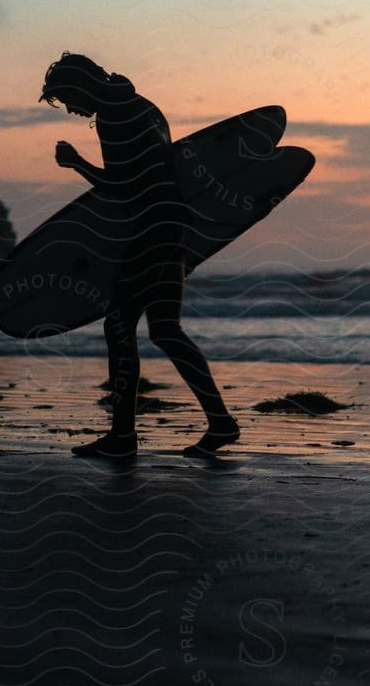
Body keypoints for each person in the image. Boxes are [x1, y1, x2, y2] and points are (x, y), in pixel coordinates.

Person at [40, 52, 239, 459]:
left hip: (148, 235)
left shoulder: (116, 117)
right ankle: (219, 422)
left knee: (120, 328)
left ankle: (124, 437)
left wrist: (77, 164)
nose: (73, 111)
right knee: (165, 330)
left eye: (68, 99)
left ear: (83, 84)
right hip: (171, 229)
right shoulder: (143, 106)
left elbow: (122, 186)